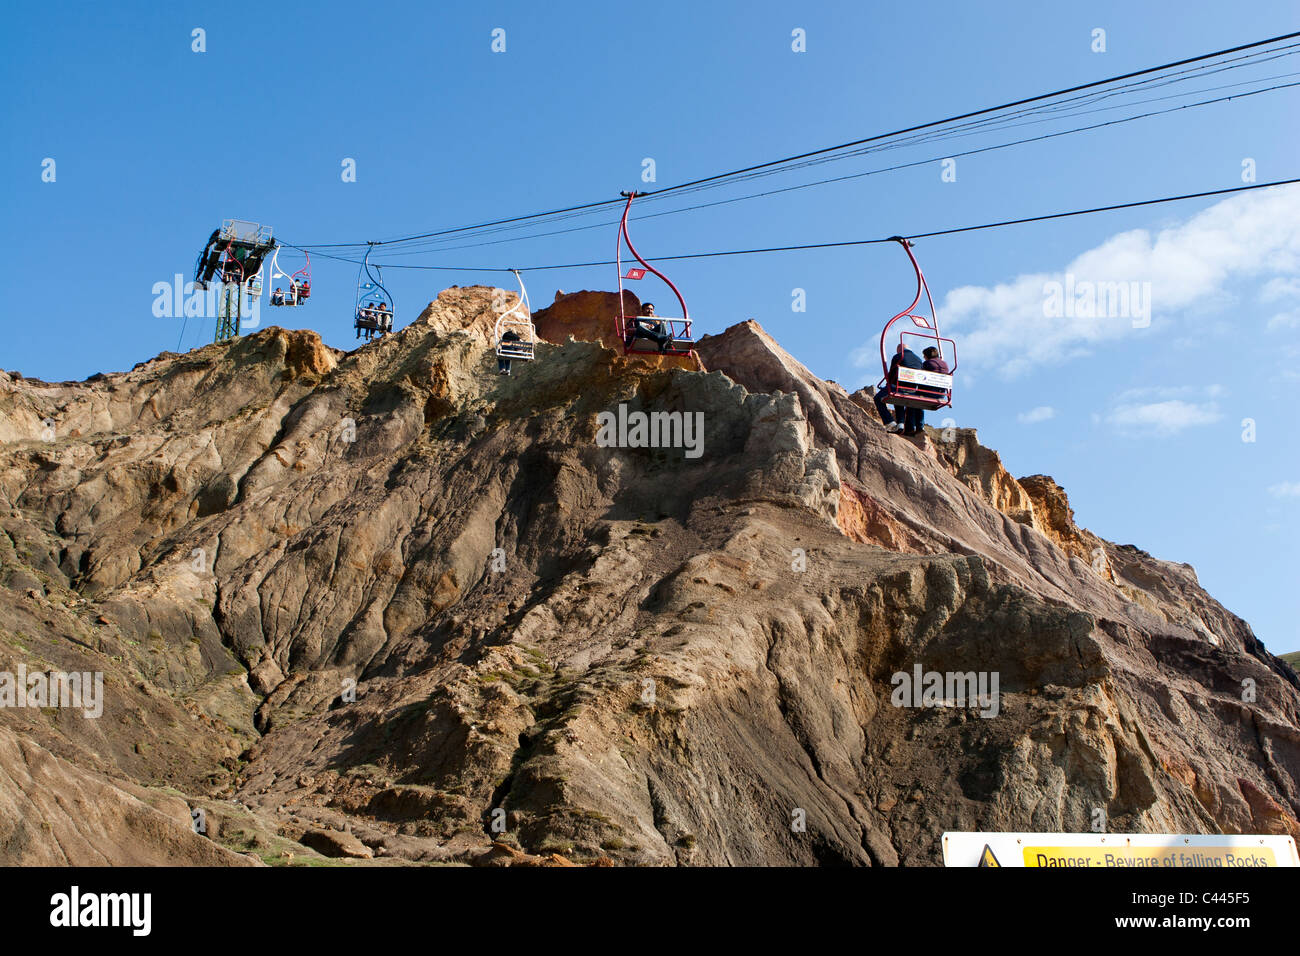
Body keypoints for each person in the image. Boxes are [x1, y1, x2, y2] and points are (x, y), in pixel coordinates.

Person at [875, 345, 924, 434]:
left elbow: (892, 373)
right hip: (912, 390)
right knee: (898, 398)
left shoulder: (898, 356)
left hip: (899, 387)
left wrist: (888, 383)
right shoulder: (919, 360)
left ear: (899, 350)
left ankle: (890, 423)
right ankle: (901, 424)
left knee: (878, 398)